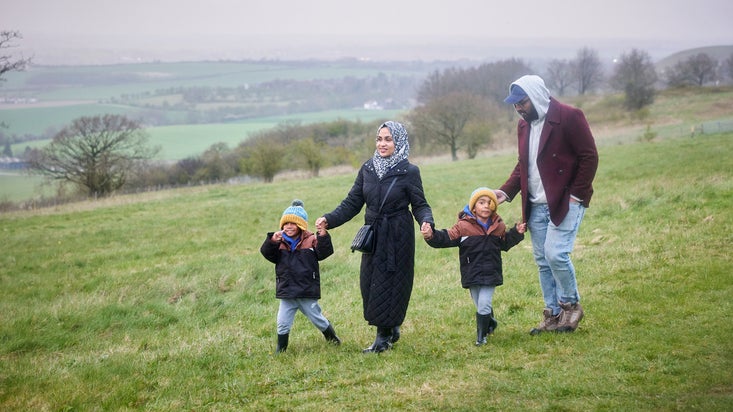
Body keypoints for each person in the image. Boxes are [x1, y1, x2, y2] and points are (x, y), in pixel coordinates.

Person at [315, 121, 434, 353]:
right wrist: (329, 219)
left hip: (398, 235)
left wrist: (426, 221)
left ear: (398, 142)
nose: (382, 144)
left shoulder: (409, 171)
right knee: (369, 284)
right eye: (379, 139)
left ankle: (383, 338)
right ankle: (391, 327)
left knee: (390, 284)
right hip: (373, 234)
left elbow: (420, 204)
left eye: (388, 139)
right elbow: (352, 203)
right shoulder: (367, 168)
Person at [496, 74, 599, 334]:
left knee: (556, 254)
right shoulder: (524, 126)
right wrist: (505, 192)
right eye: (515, 104)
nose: (518, 108)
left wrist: (576, 194)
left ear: (537, 96)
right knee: (543, 260)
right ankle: (552, 315)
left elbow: (589, 156)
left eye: (523, 103)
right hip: (535, 205)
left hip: (565, 201)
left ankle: (571, 306)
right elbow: (524, 165)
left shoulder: (569, 116)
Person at [420, 187, 526, 346]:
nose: (485, 206)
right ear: (473, 207)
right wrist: (431, 235)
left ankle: (481, 337)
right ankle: (490, 323)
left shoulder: (498, 226)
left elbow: (505, 244)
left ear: (494, 206)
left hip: (491, 272)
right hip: (471, 272)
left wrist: (516, 233)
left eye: (489, 203)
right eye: (481, 202)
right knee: (479, 304)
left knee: (484, 304)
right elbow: (446, 238)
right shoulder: (463, 227)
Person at [260, 199, 341, 354]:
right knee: (282, 322)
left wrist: (322, 234)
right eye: (286, 224)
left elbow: (324, 252)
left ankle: (332, 338)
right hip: (287, 292)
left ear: (301, 225)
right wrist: (272, 242)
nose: (288, 227)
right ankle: (281, 349)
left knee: (317, 319)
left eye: (293, 223)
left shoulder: (311, 240)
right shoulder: (279, 242)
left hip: (306, 291)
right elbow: (268, 255)